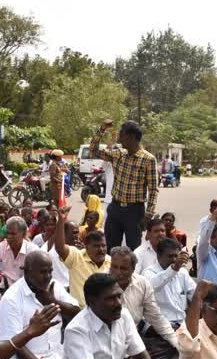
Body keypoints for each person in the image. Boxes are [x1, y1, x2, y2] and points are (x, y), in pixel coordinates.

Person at [0, 252, 80, 359]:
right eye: (42, 272)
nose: (47, 276)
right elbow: (15, 346)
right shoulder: (11, 299)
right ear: (27, 271)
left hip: (55, 355)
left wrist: (52, 301)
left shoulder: (53, 286)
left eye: (50, 271)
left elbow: (76, 314)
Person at [92, 120, 158, 250]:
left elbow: (153, 189)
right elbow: (93, 150)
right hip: (115, 208)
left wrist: (148, 214)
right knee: (111, 248)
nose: (120, 139)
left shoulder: (148, 159)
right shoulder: (118, 154)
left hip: (134, 212)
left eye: (122, 135)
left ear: (132, 137)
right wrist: (102, 129)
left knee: (134, 249)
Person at [54, 206, 110, 307]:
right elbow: (60, 248)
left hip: (105, 313)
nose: (101, 249)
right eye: (96, 246)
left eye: (103, 246)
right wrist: (61, 221)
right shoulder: (77, 257)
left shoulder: (111, 262)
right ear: (86, 246)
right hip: (79, 313)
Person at [0, 217, 40, 289]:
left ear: (23, 234)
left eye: (13, 234)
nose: (9, 237)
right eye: (7, 233)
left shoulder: (33, 250)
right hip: (6, 289)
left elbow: (39, 276)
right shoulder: (1, 247)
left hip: (27, 289)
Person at [42, 218, 76, 291]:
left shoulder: (79, 249)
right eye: (74, 233)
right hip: (59, 290)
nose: (77, 235)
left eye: (77, 233)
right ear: (64, 233)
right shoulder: (50, 248)